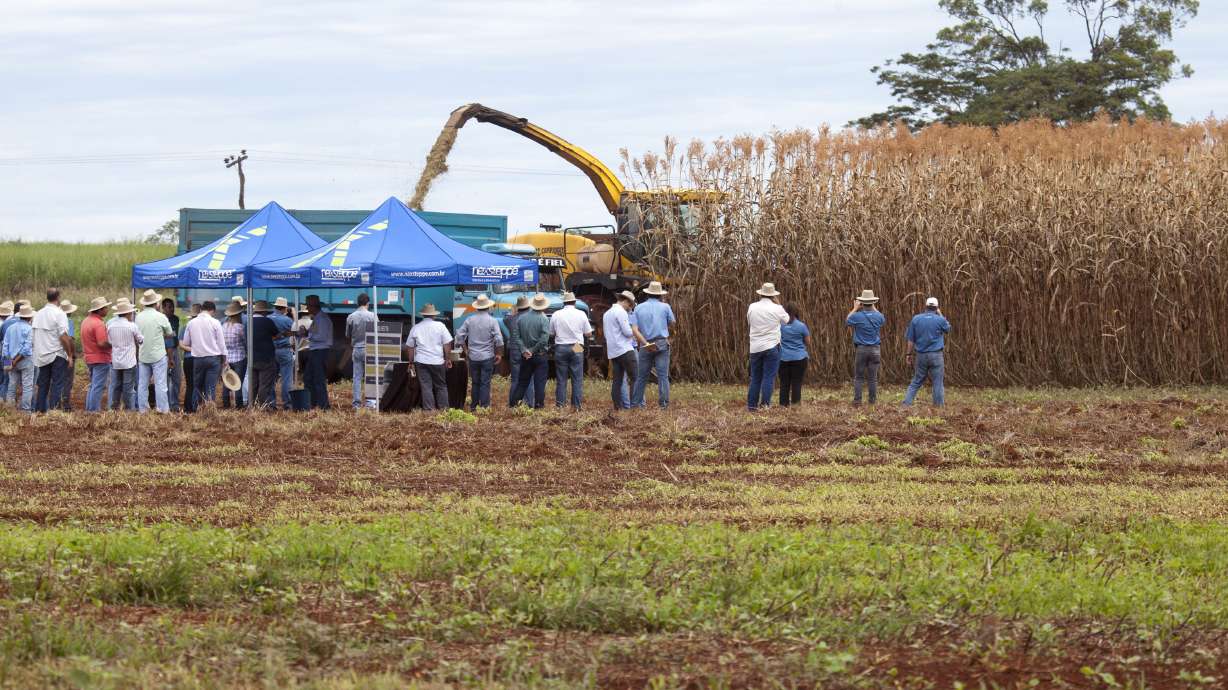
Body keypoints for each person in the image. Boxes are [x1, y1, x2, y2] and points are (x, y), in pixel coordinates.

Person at [631, 281, 677, 410]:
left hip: (645, 343)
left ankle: (636, 404)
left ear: (648, 294)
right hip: (661, 343)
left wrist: (644, 342)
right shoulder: (665, 307)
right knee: (663, 376)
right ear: (660, 295)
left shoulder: (638, 308)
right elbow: (673, 323)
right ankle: (663, 406)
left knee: (641, 377)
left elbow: (634, 329)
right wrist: (666, 329)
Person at [455, 294, 503, 410]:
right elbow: (499, 340)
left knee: (475, 382)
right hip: (487, 356)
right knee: (485, 382)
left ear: (476, 307)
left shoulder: (469, 320)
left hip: (473, 357)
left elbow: (459, 336)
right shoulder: (492, 321)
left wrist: (465, 350)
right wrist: (499, 354)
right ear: (488, 307)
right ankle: (484, 406)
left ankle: (474, 406)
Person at [746, 282, 789, 412]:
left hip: (755, 347)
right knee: (768, 377)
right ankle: (765, 405)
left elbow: (749, 322)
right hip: (772, 346)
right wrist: (778, 303)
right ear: (773, 295)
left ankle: (752, 406)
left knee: (755, 377)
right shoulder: (778, 308)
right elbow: (786, 320)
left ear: (761, 293)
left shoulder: (752, 307)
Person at [904, 297, 952, 407]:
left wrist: (908, 354)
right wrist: (940, 314)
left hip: (921, 356)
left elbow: (911, 340)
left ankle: (906, 405)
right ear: (936, 307)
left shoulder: (916, 319)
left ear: (925, 306)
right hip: (936, 355)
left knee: (916, 381)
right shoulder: (940, 320)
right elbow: (948, 328)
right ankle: (938, 407)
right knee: (937, 382)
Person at [404, 303, 453, 410]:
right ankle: (444, 410)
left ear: (423, 315)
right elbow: (447, 343)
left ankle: (429, 411)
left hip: (421, 361)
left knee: (426, 387)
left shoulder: (416, 328)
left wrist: (411, 362)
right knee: (441, 386)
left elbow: (410, 347)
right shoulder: (440, 326)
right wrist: (448, 358)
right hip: (437, 361)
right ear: (434, 315)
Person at [32, 289, 73, 413]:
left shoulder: (38, 314)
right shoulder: (59, 313)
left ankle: (40, 411)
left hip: (42, 355)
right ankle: (54, 411)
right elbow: (63, 337)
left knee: (43, 385)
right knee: (57, 383)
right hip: (56, 354)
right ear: (58, 297)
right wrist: (69, 355)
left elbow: (34, 336)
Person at [549, 292, 592, 411]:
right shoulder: (581, 314)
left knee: (561, 378)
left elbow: (551, 333)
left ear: (564, 302)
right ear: (574, 302)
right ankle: (576, 406)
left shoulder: (556, 314)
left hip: (561, 346)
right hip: (576, 345)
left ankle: (560, 405)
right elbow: (588, 333)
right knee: (577, 378)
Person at [509, 293, 551, 409]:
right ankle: (538, 406)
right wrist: (532, 350)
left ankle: (513, 404)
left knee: (522, 382)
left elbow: (516, 337)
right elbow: (544, 340)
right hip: (540, 355)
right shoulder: (544, 319)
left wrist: (524, 350)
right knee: (539, 383)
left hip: (525, 356)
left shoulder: (521, 318)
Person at [134, 289, 173, 414]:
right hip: (158, 355)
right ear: (156, 303)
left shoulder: (138, 317)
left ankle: (143, 410)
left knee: (142, 384)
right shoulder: (160, 316)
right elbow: (170, 333)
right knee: (160, 384)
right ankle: (163, 410)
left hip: (144, 355)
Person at [181, 301, 226, 407]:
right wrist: (225, 360)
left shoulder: (191, 323)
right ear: (213, 311)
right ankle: (209, 412)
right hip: (213, 359)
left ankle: (196, 410)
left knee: (197, 387)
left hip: (198, 358)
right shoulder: (215, 322)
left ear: (201, 309)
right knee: (210, 388)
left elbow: (186, 342)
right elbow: (221, 344)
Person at [846, 289, 886, 406]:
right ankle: (872, 402)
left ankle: (857, 401)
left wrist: (854, 308)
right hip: (875, 349)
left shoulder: (857, 316)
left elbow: (847, 320)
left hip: (862, 349)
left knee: (859, 377)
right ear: (873, 303)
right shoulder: (878, 316)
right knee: (872, 378)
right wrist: (873, 307)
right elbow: (882, 318)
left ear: (862, 302)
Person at [603, 290, 639, 411]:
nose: (630, 308)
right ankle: (635, 406)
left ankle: (617, 407)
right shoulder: (621, 312)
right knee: (635, 377)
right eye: (630, 305)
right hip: (625, 350)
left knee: (617, 380)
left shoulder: (607, 313)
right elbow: (627, 332)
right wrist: (634, 331)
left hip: (613, 352)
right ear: (626, 301)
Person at [106, 299, 143, 410]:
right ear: (127, 313)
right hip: (129, 362)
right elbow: (140, 340)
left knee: (116, 386)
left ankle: (114, 408)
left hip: (116, 361)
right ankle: (130, 410)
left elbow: (109, 342)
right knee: (129, 388)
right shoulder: (132, 326)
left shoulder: (110, 326)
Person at [345, 293, 378, 408]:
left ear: (358, 303)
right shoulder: (373, 316)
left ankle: (357, 404)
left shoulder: (351, 316)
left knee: (357, 377)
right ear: (367, 303)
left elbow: (347, 335)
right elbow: (378, 333)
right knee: (371, 376)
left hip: (357, 349)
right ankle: (370, 402)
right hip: (370, 348)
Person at [80, 297, 113, 412]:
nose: (107, 309)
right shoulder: (98, 324)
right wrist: (113, 345)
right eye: (105, 308)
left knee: (93, 385)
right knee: (98, 386)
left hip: (90, 357)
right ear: (100, 310)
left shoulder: (86, 321)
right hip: (101, 358)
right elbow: (101, 343)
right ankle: (93, 411)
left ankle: (90, 409)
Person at [299, 295, 332, 410]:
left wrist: (308, 335)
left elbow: (321, 336)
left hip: (319, 351)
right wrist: (307, 333)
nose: (307, 309)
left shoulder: (321, 319)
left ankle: (323, 405)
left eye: (308, 306)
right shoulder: (318, 318)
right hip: (316, 350)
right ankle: (314, 403)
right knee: (309, 378)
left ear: (314, 307)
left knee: (317, 379)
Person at [2, 305, 36, 411]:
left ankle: (10, 409)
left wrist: (9, 363)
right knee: (27, 386)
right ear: (30, 317)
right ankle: (25, 411)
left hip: (11, 360)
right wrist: (15, 361)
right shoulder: (30, 329)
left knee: (12, 385)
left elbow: (5, 348)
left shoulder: (10, 328)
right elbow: (26, 349)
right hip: (25, 361)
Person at [777, 304, 812, 407]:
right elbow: (808, 342)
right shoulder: (801, 326)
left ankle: (783, 405)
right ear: (797, 312)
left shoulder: (780, 326)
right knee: (796, 382)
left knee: (784, 383)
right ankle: (796, 405)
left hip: (783, 358)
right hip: (799, 358)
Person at [248, 301, 281, 409]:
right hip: (266, 358)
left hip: (252, 357)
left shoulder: (248, 322)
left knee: (253, 385)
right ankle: (263, 407)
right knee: (264, 385)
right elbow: (277, 335)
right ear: (264, 312)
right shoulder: (267, 321)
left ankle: (252, 405)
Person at [503, 296, 534, 406]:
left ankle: (513, 404)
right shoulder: (532, 318)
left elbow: (505, 319)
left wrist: (512, 311)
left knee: (515, 379)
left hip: (514, 351)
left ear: (518, 307)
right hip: (528, 350)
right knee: (529, 379)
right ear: (528, 307)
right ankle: (529, 404)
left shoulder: (510, 319)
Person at [270, 298, 296, 410]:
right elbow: (296, 329)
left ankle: (271, 403)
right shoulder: (287, 320)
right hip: (284, 350)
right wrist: (294, 314)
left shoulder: (268, 318)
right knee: (287, 378)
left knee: (271, 379)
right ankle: (287, 404)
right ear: (285, 308)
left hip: (271, 351)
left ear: (275, 306)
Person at [221, 301, 247, 409]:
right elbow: (245, 342)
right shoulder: (240, 327)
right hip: (239, 358)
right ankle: (239, 406)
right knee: (238, 383)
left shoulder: (223, 326)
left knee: (227, 382)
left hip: (227, 359)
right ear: (238, 314)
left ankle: (226, 405)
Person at [160, 298, 181, 412]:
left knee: (177, 378)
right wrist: (168, 334)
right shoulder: (160, 319)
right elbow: (169, 335)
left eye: (172, 306)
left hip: (174, 349)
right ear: (163, 308)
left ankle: (175, 403)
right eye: (168, 306)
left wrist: (167, 334)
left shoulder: (175, 319)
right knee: (165, 380)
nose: (171, 309)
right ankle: (167, 404)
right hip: (163, 351)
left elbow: (172, 335)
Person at [181, 303, 201, 412]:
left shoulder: (185, 327)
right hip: (197, 358)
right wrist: (195, 350)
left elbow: (181, 344)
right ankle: (195, 407)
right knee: (197, 384)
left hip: (188, 359)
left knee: (190, 384)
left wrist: (190, 349)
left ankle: (187, 407)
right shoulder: (201, 327)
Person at [0, 301, 13, 401]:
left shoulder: (5, 324)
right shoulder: (8, 323)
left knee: (4, 379)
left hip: (5, 356)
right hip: (9, 356)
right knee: (7, 379)